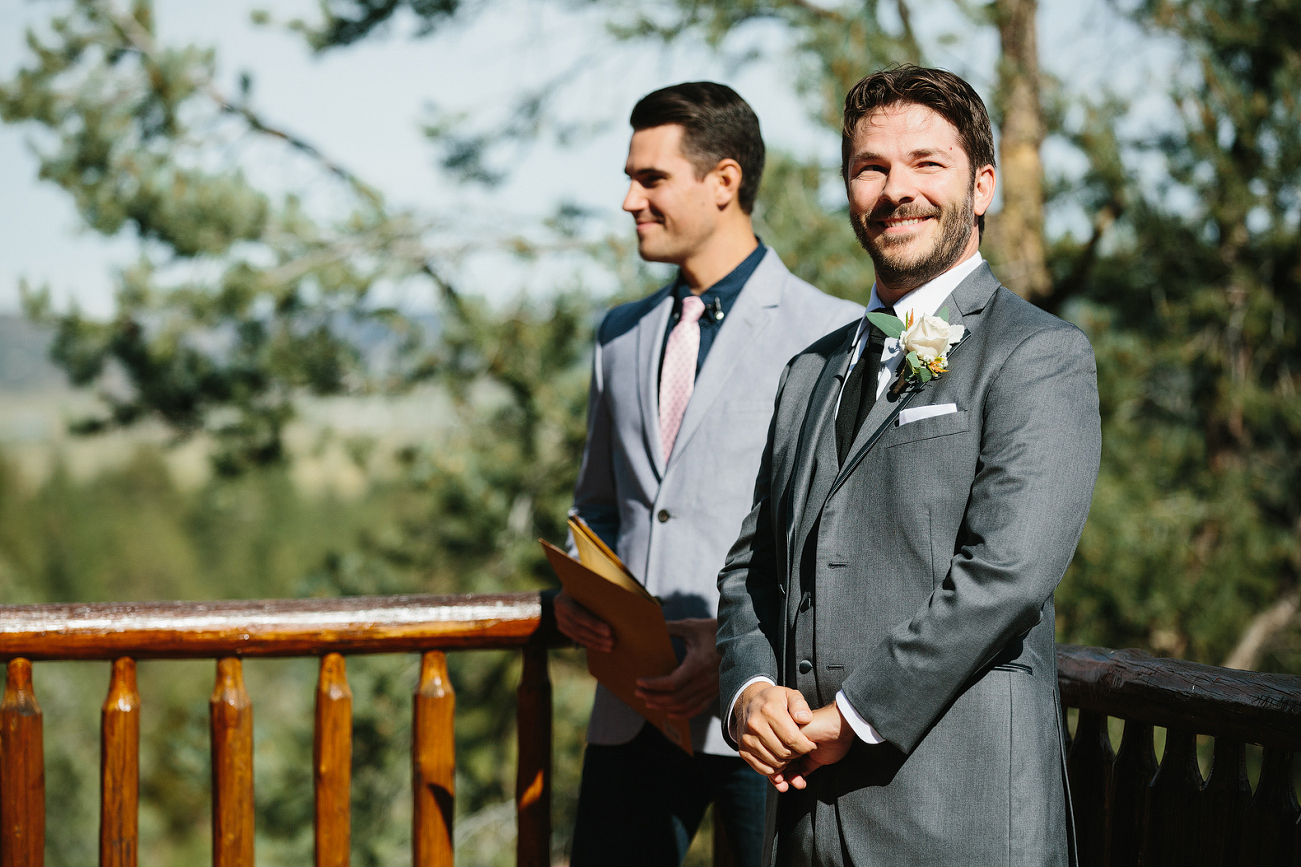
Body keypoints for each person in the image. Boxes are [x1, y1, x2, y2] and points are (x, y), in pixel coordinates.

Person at [716, 65, 1101, 866]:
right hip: (803, 825)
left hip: (957, 822)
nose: (898, 189)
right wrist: (749, 694)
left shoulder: (1037, 354)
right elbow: (750, 570)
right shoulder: (807, 373)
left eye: (927, 163)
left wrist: (850, 713)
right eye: (871, 167)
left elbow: (1007, 573)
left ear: (982, 185)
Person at [558, 81, 863, 867]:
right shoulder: (619, 335)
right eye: (630, 178)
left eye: (650, 178)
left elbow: (842, 538)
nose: (629, 199)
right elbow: (599, 504)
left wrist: (735, 655)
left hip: (764, 717)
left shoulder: (832, 332)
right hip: (629, 710)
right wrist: (580, 595)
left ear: (723, 182)